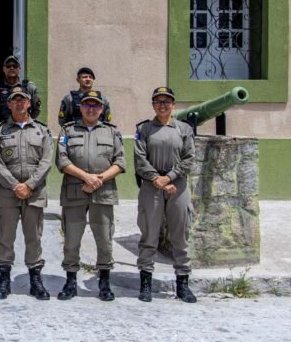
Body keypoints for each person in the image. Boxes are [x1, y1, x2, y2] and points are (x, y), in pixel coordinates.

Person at [55, 91, 125, 301]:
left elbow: (120, 162)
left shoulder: (112, 132)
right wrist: (86, 177)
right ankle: (70, 281)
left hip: (103, 192)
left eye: (95, 105)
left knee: (104, 239)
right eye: (87, 105)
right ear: (81, 108)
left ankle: (104, 282)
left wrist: (98, 180)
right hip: (75, 192)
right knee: (71, 239)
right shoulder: (68, 130)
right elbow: (62, 160)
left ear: (102, 109)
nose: (91, 109)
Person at [0, 86, 53, 300]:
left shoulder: (41, 130)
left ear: (29, 103)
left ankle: (35, 280)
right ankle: (4, 280)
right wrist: (15, 185)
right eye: (14, 100)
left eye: (22, 100)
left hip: (34, 193)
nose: (19, 103)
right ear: (9, 104)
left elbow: (46, 161)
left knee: (34, 237)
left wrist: (30, 185)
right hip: (7, 193)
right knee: (4, 237)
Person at [134, 87, 197, 303]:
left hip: (177, 186)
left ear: (173, 104)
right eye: (158, 102)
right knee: (149, 234)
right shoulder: (144, 129)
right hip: (151, 186)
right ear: (153, 105)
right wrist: (157, 179)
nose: (162, 105)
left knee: (180, 235)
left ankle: (183, 283)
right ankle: (146, 282)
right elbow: (140, 159)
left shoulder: (184, 129)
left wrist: (169, 178)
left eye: (166, 101)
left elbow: (189, 158)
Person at [0, 54, 43, 223]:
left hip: (24, 130)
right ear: (4, 69)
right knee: (1, 170)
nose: (12, 69)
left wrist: (24, 121)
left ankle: (27, 207)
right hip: (4, 132)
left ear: (19, 69)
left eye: (15, 66)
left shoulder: (29, 87)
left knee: (25, 166)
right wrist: (2, 125)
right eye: (8, 66)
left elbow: (36, 108)